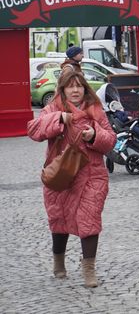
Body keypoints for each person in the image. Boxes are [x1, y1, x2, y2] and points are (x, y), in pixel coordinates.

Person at [27, 69, 117, 288]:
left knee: (90, 220)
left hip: (92, 175)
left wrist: (94, 135)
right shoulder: (53, 108)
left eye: (79, 86)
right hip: (62, 176)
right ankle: (59, 260)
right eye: (70, 86)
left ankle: (89, 269)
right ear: (63, 89)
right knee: (59, 220)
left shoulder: (95, 109)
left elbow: (111, 140)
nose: (75, 90)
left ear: (85, 88)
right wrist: (58, 118)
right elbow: (33, 131)